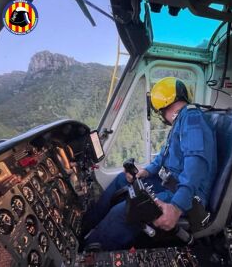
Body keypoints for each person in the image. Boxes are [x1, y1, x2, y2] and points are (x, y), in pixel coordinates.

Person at [81, 77, 217, 250]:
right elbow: (164, 155)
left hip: (187, 194)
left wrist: (176, 207)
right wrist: (145, 171)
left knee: (124, 213)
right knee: (121, 180)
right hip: (169, 183)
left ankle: (85, 252)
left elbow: (196, 166)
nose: (160, 114)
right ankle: (83, 227)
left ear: (163, 103)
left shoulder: (192, 119)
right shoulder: (181, 120)